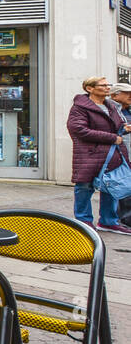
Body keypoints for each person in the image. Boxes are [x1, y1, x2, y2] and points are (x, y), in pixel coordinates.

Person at [67, 76, 131, 234]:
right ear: (90, 88)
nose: (108, 88)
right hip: (89, 154)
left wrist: (124, 129)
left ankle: (108, 221)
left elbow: (115, 127)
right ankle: (83, 221)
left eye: (108, 85)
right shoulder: (80, 107)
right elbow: (78, 129)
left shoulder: (111, 106)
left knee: (111, 186)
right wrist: (111, 138)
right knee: (84, 187)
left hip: (111, 154)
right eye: (103, 85)